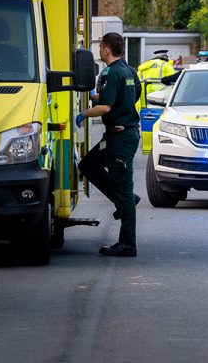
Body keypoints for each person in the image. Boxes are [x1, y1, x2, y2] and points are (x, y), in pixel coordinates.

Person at [77, 32, 142, 257]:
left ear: (105, 48)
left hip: (120, 137)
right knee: (87, 165)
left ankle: (127, 243)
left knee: (123, 187)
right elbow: (120, 97)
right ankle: (126, 200)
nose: (99, 50)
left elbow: (105, 107)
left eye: (100, 46)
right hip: (119, 136)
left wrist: (83, 114)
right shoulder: (129, 71)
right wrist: (93, 94)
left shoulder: (109, 72)